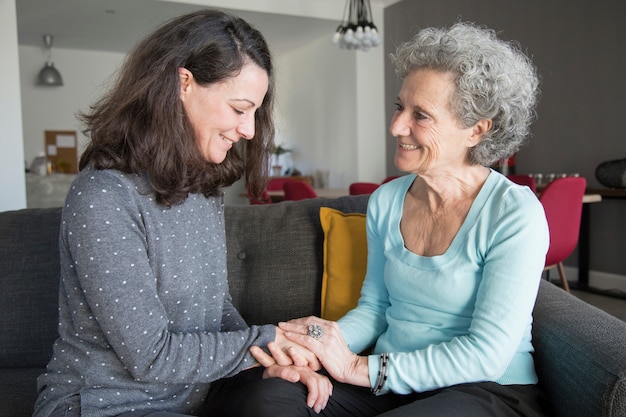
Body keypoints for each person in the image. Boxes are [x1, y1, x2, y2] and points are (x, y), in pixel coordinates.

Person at [216, 21, 550, 417]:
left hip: (484, 389)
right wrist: (319, 343)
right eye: (399, 107)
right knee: (266, 397)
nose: (396, 126)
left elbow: (486, 354)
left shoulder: (514, 213)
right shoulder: (388, 200)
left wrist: (358, 367)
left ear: (476, 130)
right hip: (390, 382)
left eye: (420, 115)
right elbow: (375, 309)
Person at [32, 9, 330, 417]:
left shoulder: (202, 189)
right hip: (106, 404)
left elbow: (216, 307)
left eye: (255, 113)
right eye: (240, 108)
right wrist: (268, 340)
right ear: (183, 83)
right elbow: (150, 356)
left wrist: (275, 360)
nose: (250, 130)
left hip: (193, 398)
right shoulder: (103, 195)